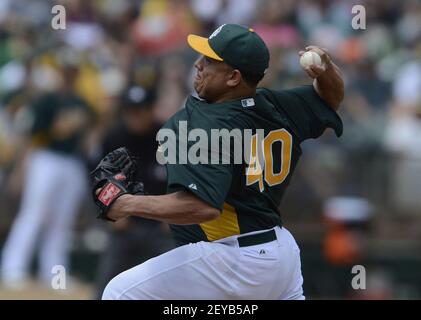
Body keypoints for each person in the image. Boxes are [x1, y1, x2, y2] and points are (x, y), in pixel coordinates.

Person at [98, 24, 344, 300]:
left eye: (210, 61)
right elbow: (329, 99)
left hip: (235, 258)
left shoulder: (206, 123)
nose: (198, 65)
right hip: (279, 255)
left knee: (118, 293)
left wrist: (127, 204)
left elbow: (201, 207)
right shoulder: (277, 105)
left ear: (233, 77)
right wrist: (326, 70)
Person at [1, 64, 93, 288]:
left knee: (63, 219)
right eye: (66, 71)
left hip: (72, 162)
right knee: (34, 213)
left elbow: (90, 131)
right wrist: (21, 169)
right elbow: (32, 136)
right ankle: (12, 268)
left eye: (73, 71)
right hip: (46, 158)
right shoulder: (47, 100)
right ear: (60, 73)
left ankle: (55, 275)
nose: (70, 75)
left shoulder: (81, 102)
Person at [93, 85, 174, 298]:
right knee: (108, 281)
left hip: (160, 224)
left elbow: (178, 179)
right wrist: (112, 210)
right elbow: (99, 178)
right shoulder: (114, 137)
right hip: (125, 223)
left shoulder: (166, 136)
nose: (135, 116)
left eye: (141, 110)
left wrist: (173, 216)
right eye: (130, 111)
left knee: (167, 283)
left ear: (151, 109)